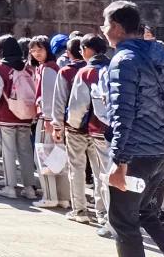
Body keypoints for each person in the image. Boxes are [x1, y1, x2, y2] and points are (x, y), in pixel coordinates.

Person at [100, 0, 164, 257]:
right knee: (149, 213)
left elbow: (122, 114)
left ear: (116, 26)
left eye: (105, 24)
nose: (103, 30)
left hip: (138, 154)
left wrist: (120, 161)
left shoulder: (123, 60)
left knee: (123, 222)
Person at [62, 33, 113, 231]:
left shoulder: (86, 72)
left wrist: (72, 125)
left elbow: (77, 106)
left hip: (94, 128)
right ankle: (105, 213)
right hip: (118, 129)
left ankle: (103, 217)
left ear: (86, 50)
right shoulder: (114, 67)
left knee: (98, 174)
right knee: (108, 174)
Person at [0, 34, 39, 200]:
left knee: (8, 152)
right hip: (25, 115)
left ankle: (10, 186)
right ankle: (30, 187)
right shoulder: (27, 67)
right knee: (25, 152)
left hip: (6, 115)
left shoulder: (1, 68)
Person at [30, 34, 70, 209]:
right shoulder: (50, 67)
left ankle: (50, 195)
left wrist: (48, 120)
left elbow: (48, 98)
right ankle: (62, 197)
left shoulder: (47, 69)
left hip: (47, 120)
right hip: (54, 119)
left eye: (40, 49)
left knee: (44, 157)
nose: (36, 53)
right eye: (33, 50)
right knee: (57, 158)